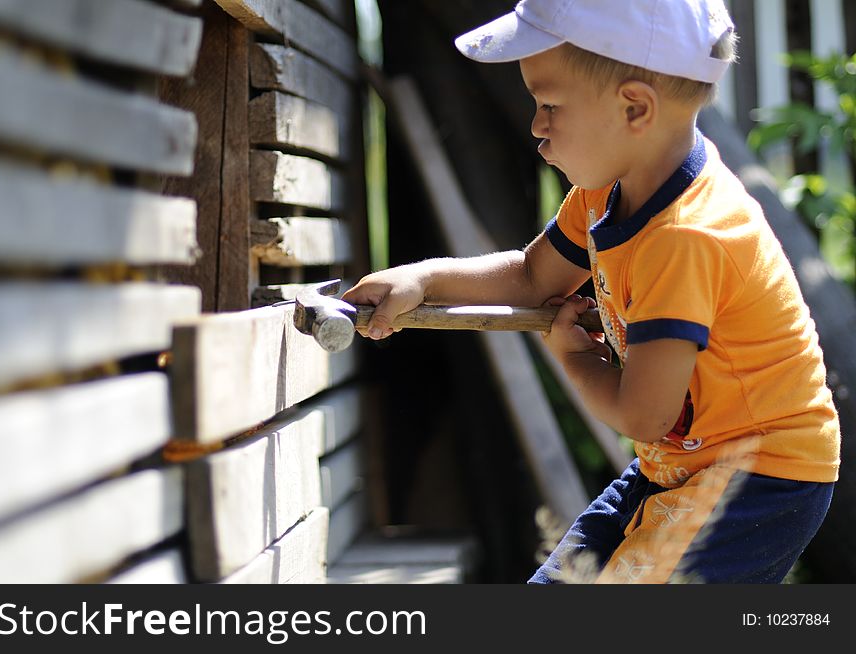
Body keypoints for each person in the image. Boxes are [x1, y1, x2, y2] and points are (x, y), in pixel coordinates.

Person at [342, 0, 841, 583]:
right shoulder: (608, 194)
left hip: (756, 477)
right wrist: (420, 279)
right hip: (679, 462)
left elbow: (643, 414)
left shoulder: (685, 238)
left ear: (635, 108)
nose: (535, 124)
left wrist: (575, 359)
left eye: (549, 105)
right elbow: (533, 278)